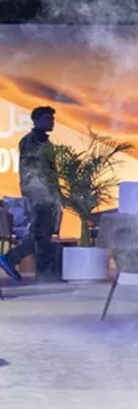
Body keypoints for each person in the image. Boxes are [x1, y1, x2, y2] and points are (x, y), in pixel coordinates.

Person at [8, 106, 64, 281]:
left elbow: (50, 172)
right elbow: (32, 172)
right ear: (36, 121)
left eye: (52, 119)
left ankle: (44, 275)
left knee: (42, 235)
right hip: (38, 194)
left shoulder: (46, 143)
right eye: (47, 119)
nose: (51, 122)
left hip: (48, 195)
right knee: (41, 234)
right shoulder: (30, 141)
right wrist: (42, 195)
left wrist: (57, 193)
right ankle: (11, 258)